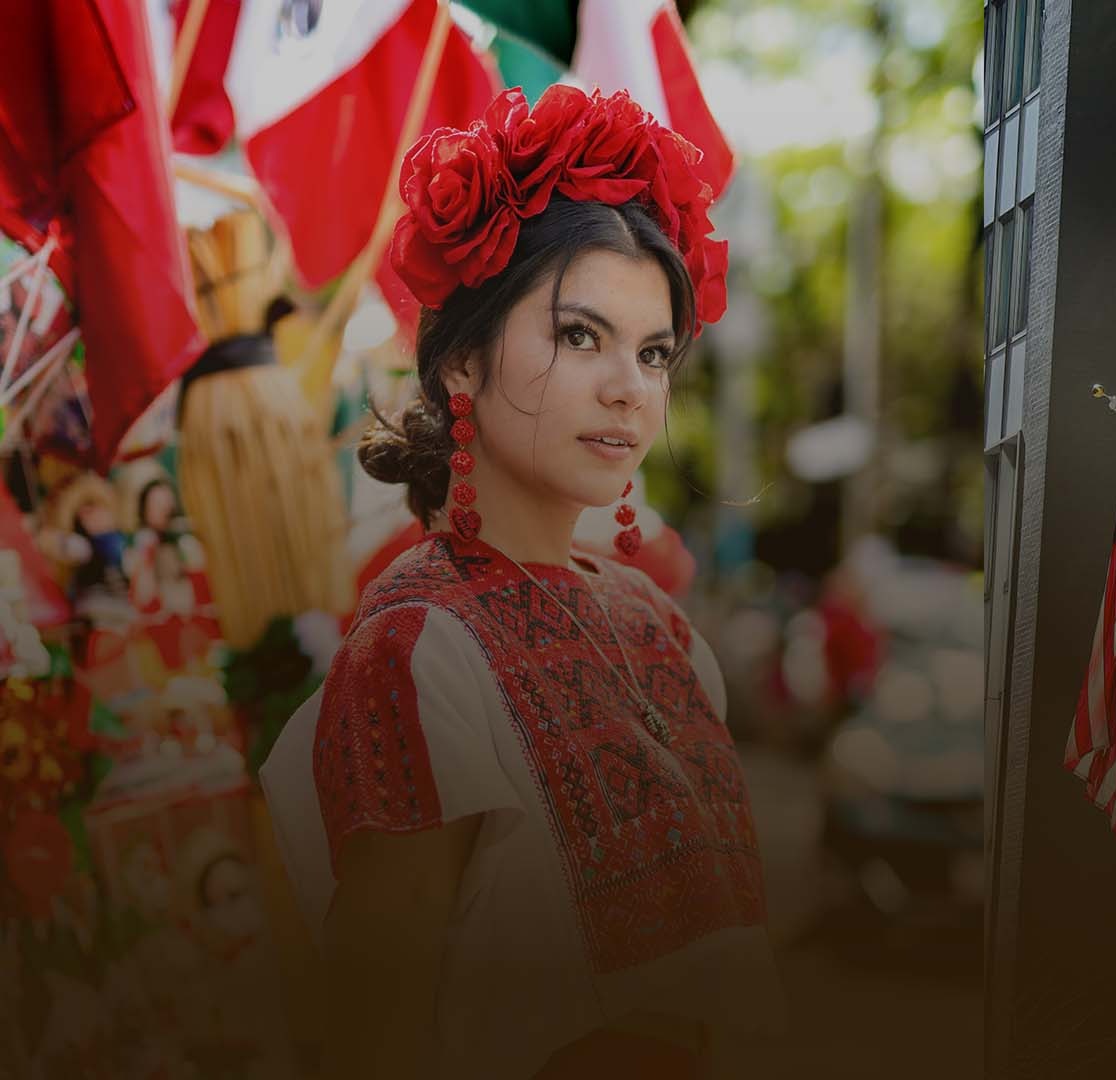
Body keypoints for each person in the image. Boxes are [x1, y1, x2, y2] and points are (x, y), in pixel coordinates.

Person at [260, 85, 781, 1080]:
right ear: (462, 362)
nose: (630, 388)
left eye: (655, 351)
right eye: (580, 336)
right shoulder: (419, 652)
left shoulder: (662, 631)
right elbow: (378, 1038)